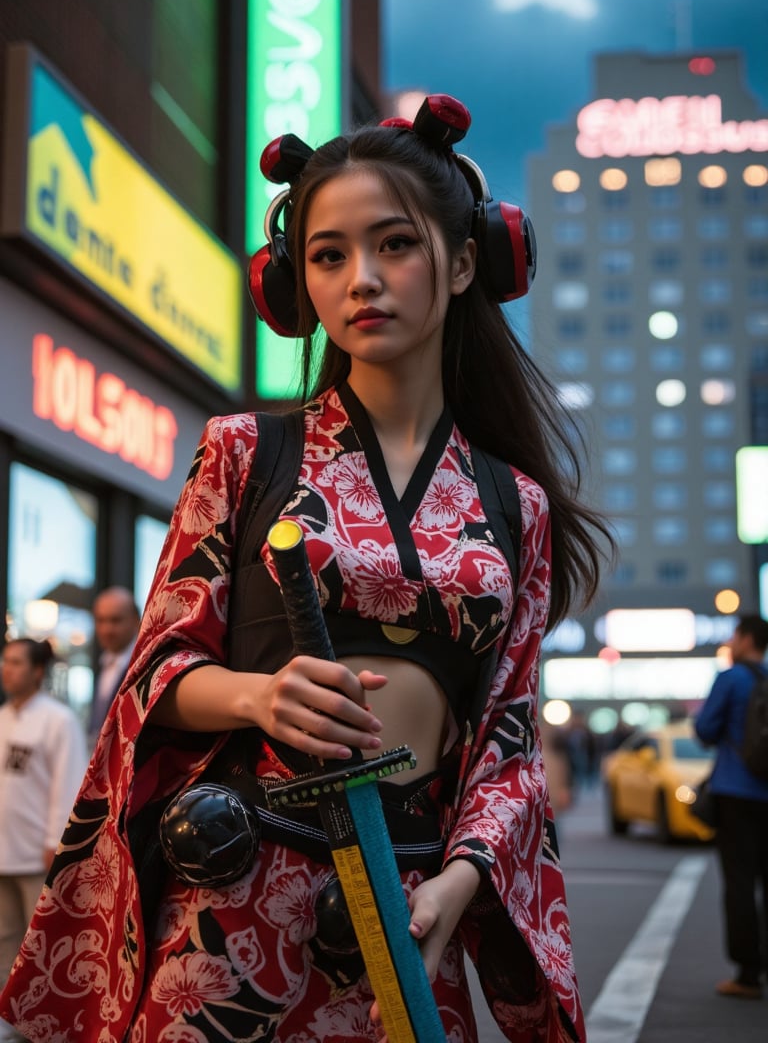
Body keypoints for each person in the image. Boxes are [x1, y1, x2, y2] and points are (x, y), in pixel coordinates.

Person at [0, 94, 613, 1042]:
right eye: (329, 255)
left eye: (394, 245)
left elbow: (509, 739)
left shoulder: (516, 505)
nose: (362, 279)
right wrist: (255, 698)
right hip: (232, 895)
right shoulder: (245, 453)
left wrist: (459, 881)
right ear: (297, 284)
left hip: (407, 908)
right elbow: (156, 674)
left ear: (463, 262)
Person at [0, 638, 88, 990]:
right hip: (4, 848)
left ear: (38, 671)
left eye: (17, 662)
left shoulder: (59, 720)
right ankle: (6, 1019)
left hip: (38, 851)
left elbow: (67, 784)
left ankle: (37, 1021)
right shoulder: (3, 718)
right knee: (4, 936)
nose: (7, 669)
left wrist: (56, 840)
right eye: (5, 661)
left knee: (39, 943)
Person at [695, 613, 768, 1001]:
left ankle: (748, 974)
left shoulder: (732, 678)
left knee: (740, 884)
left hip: (736, 793)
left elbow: (705, 730)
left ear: (744, 638)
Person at [87, 586, 140, 747]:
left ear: (136, 620)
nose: (107, 629)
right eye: (101, 620)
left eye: (116, 620)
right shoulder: (105, 662)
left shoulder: (143, 664)